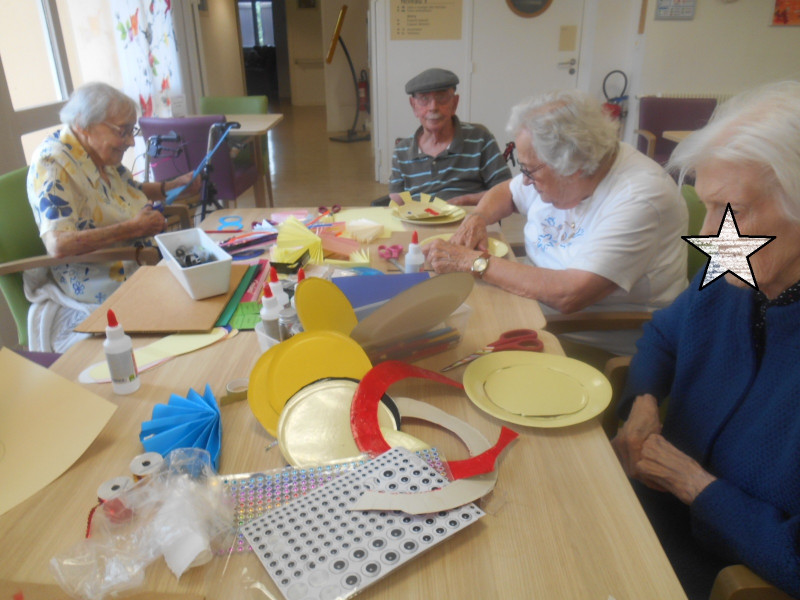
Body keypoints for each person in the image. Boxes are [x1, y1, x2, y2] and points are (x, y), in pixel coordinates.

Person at [612, 81, 800, 600]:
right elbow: (664, 336)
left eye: (732, 209)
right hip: (657, 511)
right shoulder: (730, 271)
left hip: (730, 575)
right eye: (707, 207)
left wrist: (694, 486)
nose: (716, 235)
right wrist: (645, 399)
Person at [423, 89, 688, 356]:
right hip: (535, 307)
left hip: (585, 338)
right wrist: (477, 218)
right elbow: (507, 192)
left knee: (453, 344)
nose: (525, 180)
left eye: (530, 171)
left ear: (575, 168)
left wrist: (473, 262)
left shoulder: (640, 197)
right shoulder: (564, 165)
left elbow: (570, 294)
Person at [25, 82, 198, 353]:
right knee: (190, 321)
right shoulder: (53, 164)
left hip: (142, 264)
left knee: (206, 293)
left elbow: (129, 191)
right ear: (84, 124)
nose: (131, 141)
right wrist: (131, 228)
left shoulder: (99, 154)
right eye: (123, 131)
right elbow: (59, 244)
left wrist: (173, 186)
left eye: (132, 130)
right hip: (103, 282)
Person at [387, 68, 511, 206]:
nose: (433, 107)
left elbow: (506, 189)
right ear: (414, 106)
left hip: (468, 222)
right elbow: (397, 201)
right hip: (420, 224)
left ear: (455, 103)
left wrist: (464, 201)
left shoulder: (480, 139)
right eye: (424, 99)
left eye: (442, 98)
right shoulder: (402, 151)